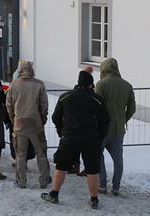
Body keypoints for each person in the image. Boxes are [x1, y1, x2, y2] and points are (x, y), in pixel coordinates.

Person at [42, 71, 110, 209]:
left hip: (69, 138)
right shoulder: (97, 99)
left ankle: (54, 194)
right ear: (91, 84)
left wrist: (62, 132)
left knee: (61, 166)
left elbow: (56, 117)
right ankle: (94, 199)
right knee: (92, 170)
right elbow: (105, 120)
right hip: (90, 139)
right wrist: (99, 136)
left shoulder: (65, 97)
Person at [6, 61, 50, 188]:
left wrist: (14, 119)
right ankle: (44, 179)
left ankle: (21, 180)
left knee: (20, 154)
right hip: (36, 124)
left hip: (19, 124)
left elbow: (9, 106)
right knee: (41, 153)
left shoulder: (13, 85)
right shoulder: (39, 85)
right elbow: (44, 105)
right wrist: (43, 119)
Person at [97, 58, 136, 196]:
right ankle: (116, 187)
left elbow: (97, 106)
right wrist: (123, 119)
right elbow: (132, 108)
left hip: (103, 129)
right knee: (118, 159)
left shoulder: (101, 84)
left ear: (104, 69)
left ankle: (102, 185)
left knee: (98, 155)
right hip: (119, 129)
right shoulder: (127, 85)